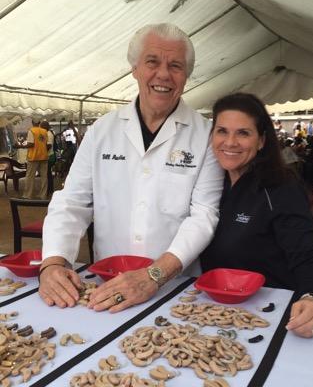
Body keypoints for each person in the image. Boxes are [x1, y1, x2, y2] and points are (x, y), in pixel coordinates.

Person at [39, 23, 224, 313]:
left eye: (175, 65)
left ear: (186, 76)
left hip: (175, 290)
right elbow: (71, 202)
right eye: (152, 62)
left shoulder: (205, 135)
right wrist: (52, 262)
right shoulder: (103, 130)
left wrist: (155, 275)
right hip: (106, 285)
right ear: (134, 69)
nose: (163, 74)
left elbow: (204, 216)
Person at [200, 93, 313, 339]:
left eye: (243, 133)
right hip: (213, 313)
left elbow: (308, 255)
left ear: (261, 140)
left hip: (267, 314)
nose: (230, 142)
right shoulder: (208, 182)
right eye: (222, 131)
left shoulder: (280, 187)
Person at [16, 119, 49, 199]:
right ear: (39, 122)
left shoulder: (31, 131)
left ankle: (28, 195)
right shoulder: (44, 131)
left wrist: (20, 146)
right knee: (44, 177)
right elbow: (46, 144)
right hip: (44, 156)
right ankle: (43, 195)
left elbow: (31, 144)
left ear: (32, 122)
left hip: (34, 157)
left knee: (30, 177)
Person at [40, 120, 55, 195]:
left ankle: (49, 190)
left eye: (41, 126)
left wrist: (41, 150)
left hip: (49, 156)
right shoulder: (47, 133)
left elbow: (49, 145)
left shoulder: (48, 134)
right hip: (49, 155)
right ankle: (50, 190)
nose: (40, 128)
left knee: (47, 174)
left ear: (46, 127)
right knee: (48, 174)